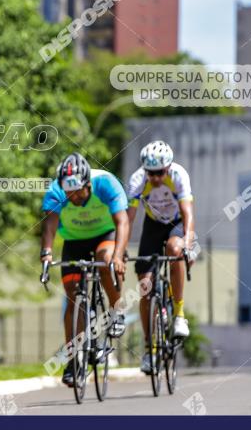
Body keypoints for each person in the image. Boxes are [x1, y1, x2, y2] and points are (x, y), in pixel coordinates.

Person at [40, 153, 129, 387]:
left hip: (105, 234)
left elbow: (122, 222)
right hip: (74, 241)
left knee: (105, 258)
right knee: (72, 298)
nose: (74, 197)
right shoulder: (56, 190)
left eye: (78, 192)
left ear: (88, 183)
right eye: (69, 193)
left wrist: (119, 256)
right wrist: (46, 254)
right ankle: (73, 361)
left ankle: (116, 310)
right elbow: (49, 226)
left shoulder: (106, 183)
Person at [126, 140, 196, 375]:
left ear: (168, 168)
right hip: (153, 225)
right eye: (151, 173)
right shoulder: (137, 180)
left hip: (175, 223)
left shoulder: (178, 175)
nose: (155, 178)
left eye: (159, 173)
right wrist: (121, 248)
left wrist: (188, 244)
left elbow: (188, 213)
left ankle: (179, 314)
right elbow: (129, 217)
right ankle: (150, 349)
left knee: (175, 252)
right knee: (145, 286)